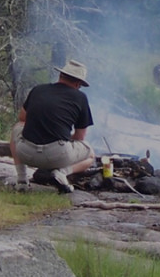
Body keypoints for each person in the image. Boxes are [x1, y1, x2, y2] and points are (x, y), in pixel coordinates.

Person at [10, 59, 96, 193]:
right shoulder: (80, 98)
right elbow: (80, 137)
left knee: (17, 128)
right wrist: (64, 137)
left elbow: (22, 118)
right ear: (78, 83)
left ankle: (21, 180)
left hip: (26, 153)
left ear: (61, 76)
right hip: (58, 155)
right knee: (90, 154)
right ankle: (62, 172)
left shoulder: (38, 90)